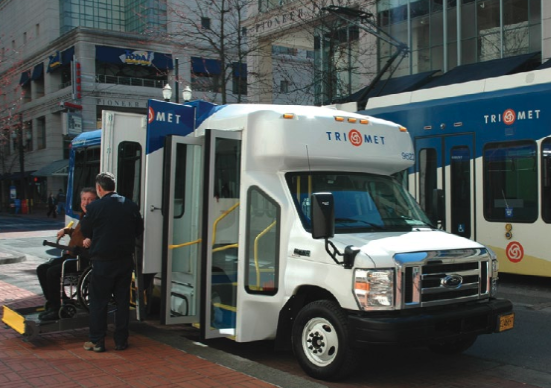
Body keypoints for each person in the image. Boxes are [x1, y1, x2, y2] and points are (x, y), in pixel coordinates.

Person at [81, 172, 143, 353]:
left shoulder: (95, 207)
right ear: (113, 186)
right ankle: (121, 341)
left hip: (103, 263)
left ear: (99, 188)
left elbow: (86, 230)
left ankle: (97, 341)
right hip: (124, 261)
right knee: (122, 302)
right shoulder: (130, 205)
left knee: (99, 302)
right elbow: (139, 229)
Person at [36, 187, 98, 321]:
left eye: (90, 200)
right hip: (72, 256)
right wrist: (67, 230)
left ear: (96, 202)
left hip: (84, 259)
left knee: (52, 272)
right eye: (84, 199)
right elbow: (78, 234)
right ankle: (53, 303)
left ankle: (56, 308)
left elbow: (93, 236)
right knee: (41, 269)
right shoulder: (85, 215)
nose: (86, 202)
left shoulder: (94, 217)